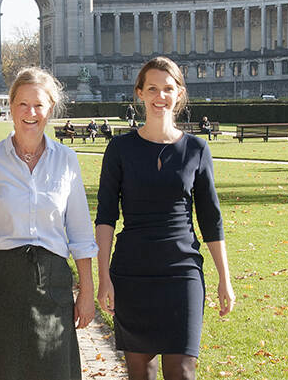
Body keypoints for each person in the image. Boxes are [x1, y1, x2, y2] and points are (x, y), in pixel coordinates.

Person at [95, 56, 234, 380]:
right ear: (140, 93)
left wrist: (224, 278)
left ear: (179, 93)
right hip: (132, 274)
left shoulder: (197, 149)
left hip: (182, 273)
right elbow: (105, 218)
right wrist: (104, 277)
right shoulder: (119, 149)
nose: (161, 96)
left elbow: (211, 218)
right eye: (153, 88)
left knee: (182, 372)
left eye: (168, 89)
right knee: (140, 374)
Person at [0, 67, 98, 380]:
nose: (30, 112)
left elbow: (79, 231)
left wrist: (87, 290)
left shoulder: (66, 160)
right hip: (0, 282)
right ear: (9, 107)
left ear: (50, 109)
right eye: (22, 104)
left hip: (51, 281)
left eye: (38, 104)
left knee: (53, 372)